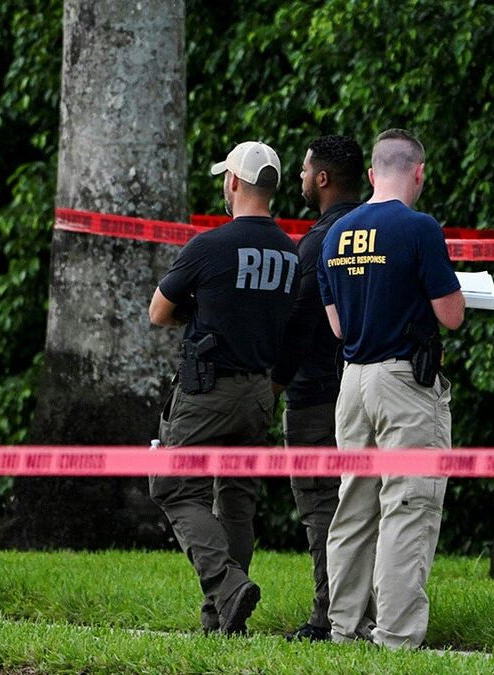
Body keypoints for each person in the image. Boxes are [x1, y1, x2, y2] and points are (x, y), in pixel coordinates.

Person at [318, 128, 465, 649]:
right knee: (408, 503)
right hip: (403, 381)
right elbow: (451, 315)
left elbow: (337, 326)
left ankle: (344, 627)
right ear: (418, 173)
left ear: (374, 173)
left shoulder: (336, 233)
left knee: (353, 508)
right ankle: (397, 636)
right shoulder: (419, 228)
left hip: (352, 383)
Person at [147, 140, 298, 635]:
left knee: (171, 485)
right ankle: (222, 621)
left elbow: (158, 311)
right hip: (259, 393)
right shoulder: (290, 253)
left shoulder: (208, 246)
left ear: (233, 182)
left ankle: (226, 584)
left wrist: (200, 310)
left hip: (207, 391)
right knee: (237, 498)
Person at [270, 134, 365, 642]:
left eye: (306, 171)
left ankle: (327, 615)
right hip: (366, 388)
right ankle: (368, 610)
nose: (302, 179)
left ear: (323, 178)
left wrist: (275, 384)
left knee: (321, 506)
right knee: (365, 504)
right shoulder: (376, 233)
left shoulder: (314, 245)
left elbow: (299, 325)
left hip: (315, 397)